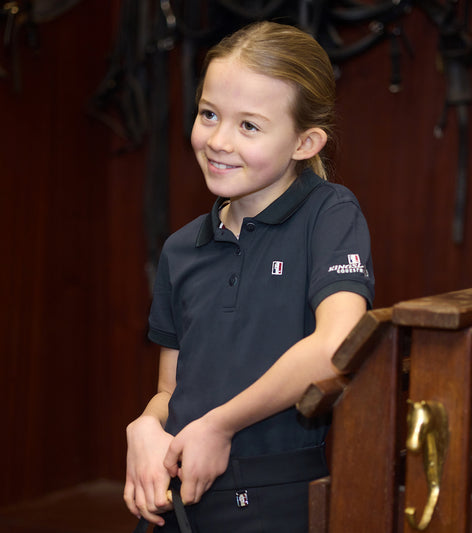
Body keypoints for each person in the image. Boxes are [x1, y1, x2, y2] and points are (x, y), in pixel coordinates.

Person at [123, 20, 375, 533]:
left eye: (249, 126)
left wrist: (221, 425)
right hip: (185, 505)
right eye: (209, 114)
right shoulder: (180, 248)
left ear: (305, 142)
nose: (218, 140)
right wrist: (147, 426)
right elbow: (172, 390)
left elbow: (337, 344)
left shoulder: (329, 214)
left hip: (281, 501)